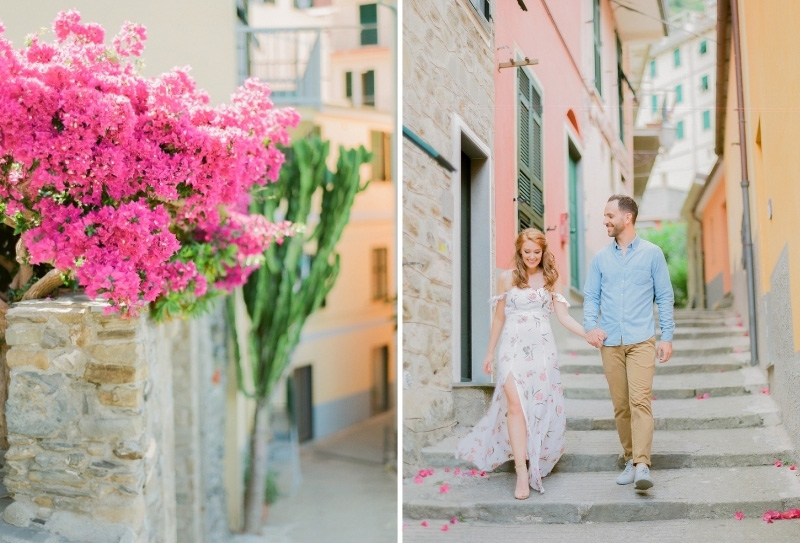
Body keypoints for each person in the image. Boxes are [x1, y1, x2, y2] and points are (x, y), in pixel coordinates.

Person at [456, 228, 588, 499]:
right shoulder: (507, 278)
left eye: (536, 252)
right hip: (511, 349)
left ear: (543, 252)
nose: (531, 257)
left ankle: (535, 460)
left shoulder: (552, 278)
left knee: (536, 407)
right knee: (515, 406)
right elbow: (499, 318)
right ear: (519, 251)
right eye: (526, 252)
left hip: (542, 352)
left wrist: (587, 333)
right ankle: (521, 473)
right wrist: (489, 352)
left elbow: (563, 316)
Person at [583, 194, 674, 491]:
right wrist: (590, 327)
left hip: (641, 340)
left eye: (610, 215)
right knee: (621, 405)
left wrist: (667, 336)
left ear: (627, 218)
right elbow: (591, 297)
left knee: (640, 401)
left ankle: (643, 464)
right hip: (610, 341)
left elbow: (664, 296)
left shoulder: (652, 254)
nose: (605, 221)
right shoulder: (600, 258)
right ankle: (629, 458)